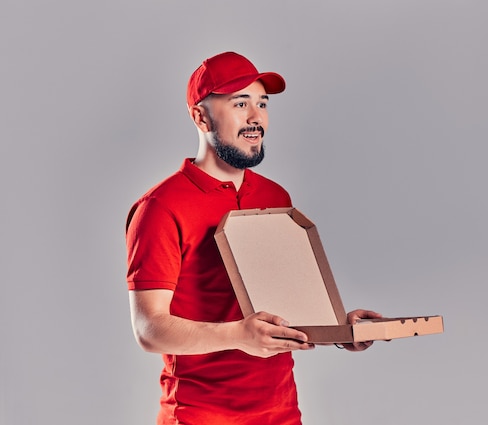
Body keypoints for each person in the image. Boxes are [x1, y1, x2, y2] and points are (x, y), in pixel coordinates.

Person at [125, 51, 381, 425]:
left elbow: (284, 305)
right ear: (200, 116)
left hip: (281, 413)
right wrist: (239, 335)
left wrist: (339, 326)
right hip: (199, 417)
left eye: (262, 103)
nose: (256, 117)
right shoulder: (160, 207)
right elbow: (149, 330)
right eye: (239, 103)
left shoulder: (276, 198)